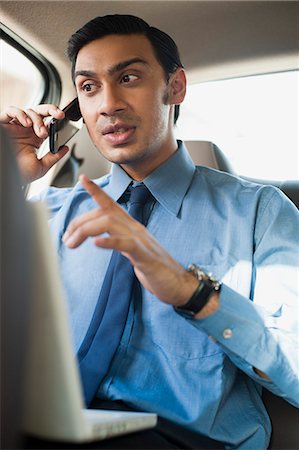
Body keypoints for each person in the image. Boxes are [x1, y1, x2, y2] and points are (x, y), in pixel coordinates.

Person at [1, 14, 298, 449]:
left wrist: (191, 291)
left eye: (129, 77)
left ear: (174, 87)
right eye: (88, 87)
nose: (108, 103)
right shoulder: (49, 211)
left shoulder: (260, 212)